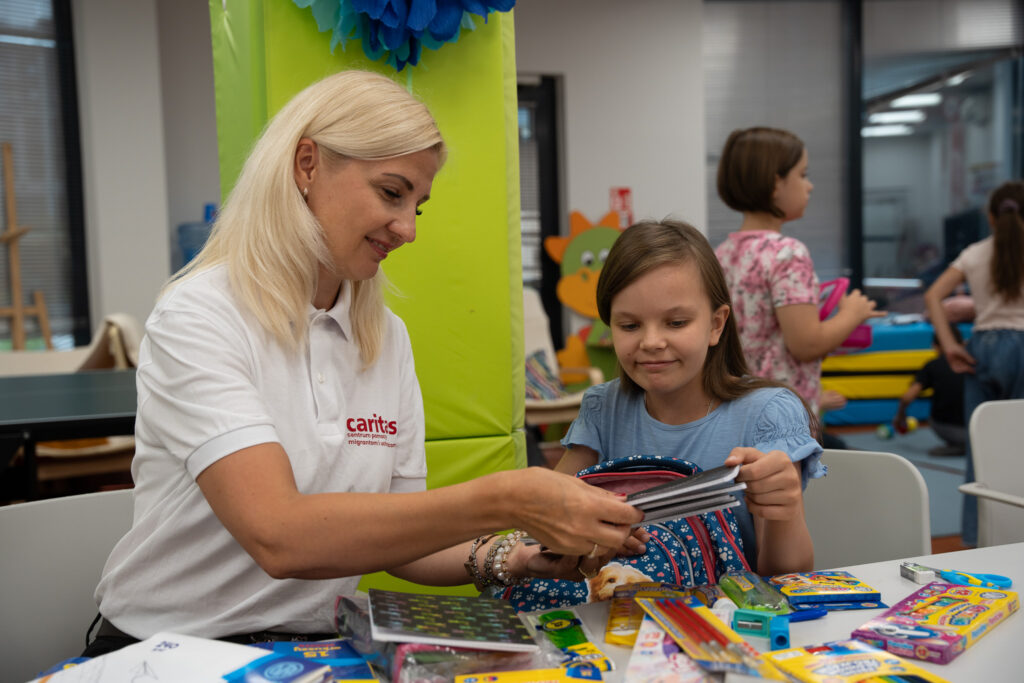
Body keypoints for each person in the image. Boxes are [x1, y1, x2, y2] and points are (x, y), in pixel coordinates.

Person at [84, 70, 643, 656]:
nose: (407, 230)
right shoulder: (200, 315)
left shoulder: (384, 338)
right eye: (391, 192)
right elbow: (279, 536)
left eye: (418, 206)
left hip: (310, 651)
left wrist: (518, 556)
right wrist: (508, 498)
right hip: (171, 651)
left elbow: (402, 538)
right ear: (306, 165)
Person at [554, 220, 825, 576]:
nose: (651, 342)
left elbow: (787, 575)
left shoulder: (767, 415)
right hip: (622, 618)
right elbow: (548, 517)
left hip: (729, 621)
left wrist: (785, 508)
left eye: (676, 322)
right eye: (630, 326)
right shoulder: (603, 408)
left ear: (716, 325)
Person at [713, 127, 885, 414]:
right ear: (775, 184)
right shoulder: (789, 253)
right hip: (783, 414)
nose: (810, 186)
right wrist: (852, 314)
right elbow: (806, 343)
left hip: (736, 407)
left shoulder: (722, 253)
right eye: (803, 175)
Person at [924, 179, 1024, 547]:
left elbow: (934, 295)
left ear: (991, 217)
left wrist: (950, 344)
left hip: (984, 347)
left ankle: (976, 538)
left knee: (980, 450)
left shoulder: (975, 253)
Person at [892, 327, 967, 457]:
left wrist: (900, 416)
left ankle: (959, 445)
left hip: (948, 428)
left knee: (934, 418)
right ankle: (968, 444)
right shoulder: (974, 363)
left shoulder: (933, 365)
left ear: (935, 346)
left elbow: (907, 397)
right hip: (978, 428)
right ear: (962, 343)